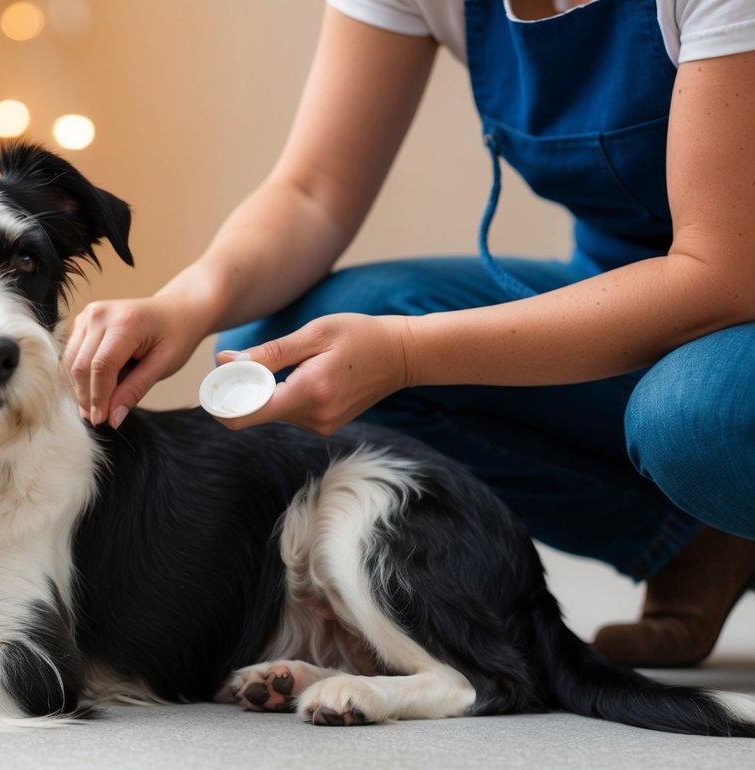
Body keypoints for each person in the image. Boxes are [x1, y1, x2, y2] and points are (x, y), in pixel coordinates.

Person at [63, 0, 755, 668]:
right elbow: (312, 191)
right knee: (284, 353)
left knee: (697, 417)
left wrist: (404, 354)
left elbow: (719, 274)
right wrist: (184, 302)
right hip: (622, 280)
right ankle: (693, 544)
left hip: (730, 287)